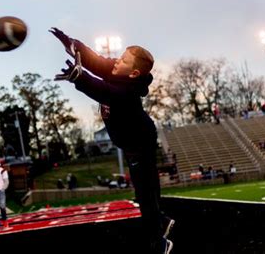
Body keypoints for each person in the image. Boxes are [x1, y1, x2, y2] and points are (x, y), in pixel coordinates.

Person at [50, 27, 173, 254]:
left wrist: (79, 77)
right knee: (147, 189)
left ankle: (159, 241)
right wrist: (72, 44)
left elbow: (105, 92)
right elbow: (95, 61)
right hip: (131, 140)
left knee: (144, 194)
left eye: (123, 60)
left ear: (134, 73)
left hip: (140, 142)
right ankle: (162, 220)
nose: (116, 61)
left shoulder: (128, 92)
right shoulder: (117, 70)